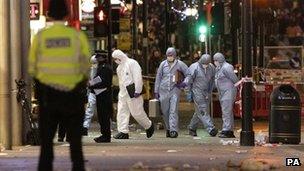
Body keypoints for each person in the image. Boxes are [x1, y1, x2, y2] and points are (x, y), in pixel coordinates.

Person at [28, 0, 90, 170]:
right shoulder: (77, 37)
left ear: (48, 14)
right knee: (76, 146)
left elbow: (32, 68)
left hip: (48, 97)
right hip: (72, 97)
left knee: (46, 146)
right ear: (67, 14)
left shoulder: (40, 38)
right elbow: (85, 67)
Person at [112, 49, 154, 139]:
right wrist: (120, 93)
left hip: (133, 93)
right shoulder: (119, 68)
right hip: (123, 94)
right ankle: (123, 131)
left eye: (116, 58)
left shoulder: (132, 63)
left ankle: (148, 125)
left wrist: (137, 90)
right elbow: (121, 82)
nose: (115, 60)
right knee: (121, 112)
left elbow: (137, 77)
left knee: (137, 113)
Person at [154, 47, 188, 138]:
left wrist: (184, 83)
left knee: (173, 110)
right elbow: (158, 77)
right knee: (165, 111)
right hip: (163, 90)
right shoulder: (163, 64)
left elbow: (189, 74)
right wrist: (156, 91)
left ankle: (173, 130)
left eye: (171, 55)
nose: (169, 57)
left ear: (175, 55)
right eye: (168, 55)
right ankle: (168, 128)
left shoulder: (180, 64)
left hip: (174, 90)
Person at [184, 54, 218, 137]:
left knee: (199, 111)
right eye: (204, 63)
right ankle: (210, 128)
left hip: (206, 92)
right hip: (197, 91)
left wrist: (211, 90)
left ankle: (192, 128)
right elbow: (188, 81)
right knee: (203, 109)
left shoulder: (211, 67)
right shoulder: (194, 67)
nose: (205, 65)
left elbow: (213, 79)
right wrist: (188, 93)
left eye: (207, 63)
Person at [88, 51, 113, 143]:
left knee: (104, 116)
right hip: (100, 94)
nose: (97, 59)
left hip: (104, 95)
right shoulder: (101, 67)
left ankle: (106, 136)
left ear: (103, 58)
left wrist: (91, 85)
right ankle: (104, 135)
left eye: (98, 57)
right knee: (102, 116)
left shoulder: (105, 68)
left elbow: (102, 81)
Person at [213, 52, 239, 138]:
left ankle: (227, 129)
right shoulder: (219, 68)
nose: (215, 62)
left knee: (226, 111)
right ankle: (228, 129)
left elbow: (234, 79)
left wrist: (238, 87)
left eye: (216, 60)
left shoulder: (227, 67)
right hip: (223, 92)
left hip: (228, 91)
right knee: (226, 111)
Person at [82, 53, 99, 136]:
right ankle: (85, 127)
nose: (94, 65)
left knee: (102, 111)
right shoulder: (90, 69)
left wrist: (90, 83)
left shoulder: (102, 69)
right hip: (92, 92)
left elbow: (100, 79)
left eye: (95, 63)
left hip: (99, 91)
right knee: (89, 110)